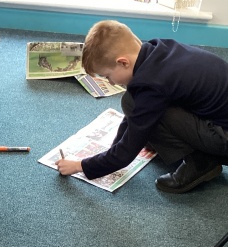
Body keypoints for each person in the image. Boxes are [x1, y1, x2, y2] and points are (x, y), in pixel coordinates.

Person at [56, 20, 228, 194]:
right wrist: (116, 146)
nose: (110, 82)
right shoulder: (157, 50)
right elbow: (133, 116)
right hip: (217, 117)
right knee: (132, 102)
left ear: (123, 62)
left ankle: (201, 162)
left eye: (107, 76)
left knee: (151, 114)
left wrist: (79, 166)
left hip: (224, 137)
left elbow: (124, 155)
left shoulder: (153, 85)